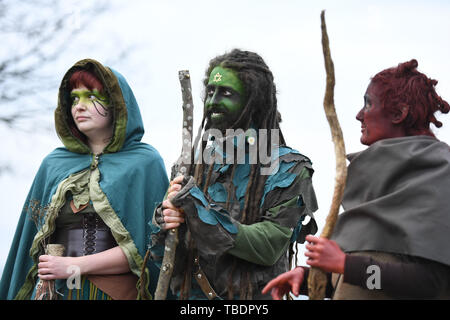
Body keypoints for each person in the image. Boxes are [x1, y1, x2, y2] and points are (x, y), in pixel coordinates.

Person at [262, 59, 450, 300]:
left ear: (399, 113)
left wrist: (345, 265)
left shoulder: (437, 176)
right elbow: (373, 284)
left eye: (368, 104)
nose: (359, 115)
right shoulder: (383, 180)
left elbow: (428, 284)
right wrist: (310, 279)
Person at [148, 49, 318, 300]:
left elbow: (269, 246)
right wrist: (164, 222)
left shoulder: (289, 167)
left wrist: (200, 210)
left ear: (254, 99)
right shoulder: (189, 165)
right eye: (210, 92)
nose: (213, 101)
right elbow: (164, 255)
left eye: (226, 93)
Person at [0, 58, 168, 300]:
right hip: (59, 293)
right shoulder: (54, 164)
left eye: (91, 96)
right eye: (75, 98)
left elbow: (150, 248)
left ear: (117, 104)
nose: (79, 106)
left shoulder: (144, 163)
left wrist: (76, 266)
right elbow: (28, 244)